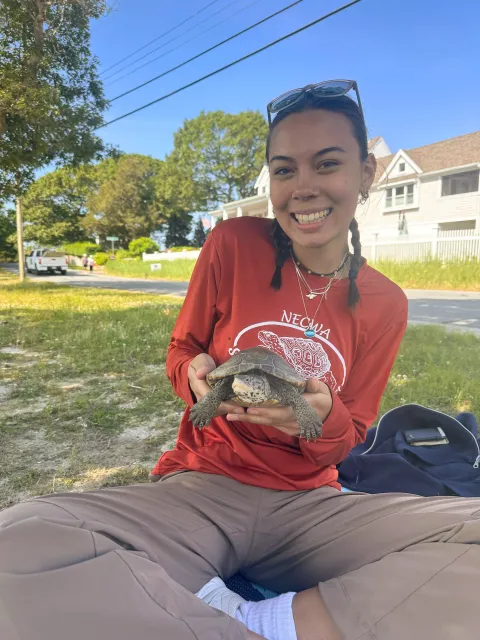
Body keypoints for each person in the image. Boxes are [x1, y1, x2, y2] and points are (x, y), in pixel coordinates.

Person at [1, 80, 480, 640]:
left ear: (367, 173)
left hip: (311, 504)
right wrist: (197, 382)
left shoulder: (385, 303)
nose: (303, 188)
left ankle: (258, 618)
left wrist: (319, 418)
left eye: (326, 164)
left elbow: (351, 433)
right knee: (20, 535)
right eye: (284, 170)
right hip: (205, 488)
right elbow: (183, 352)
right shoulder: (231, 244)